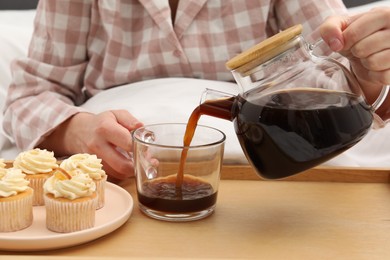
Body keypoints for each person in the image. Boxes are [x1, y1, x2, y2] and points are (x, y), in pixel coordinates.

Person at [3, 0, 390, 180]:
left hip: (257, 173)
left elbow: (336, 82)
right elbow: (26, 96)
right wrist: (80, 130)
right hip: (126, 177)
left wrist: (368, 70)